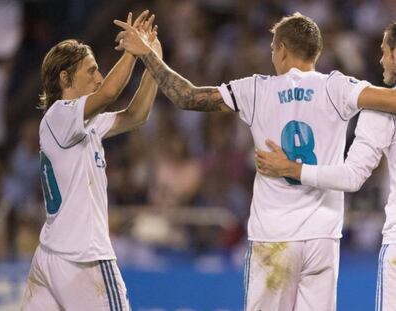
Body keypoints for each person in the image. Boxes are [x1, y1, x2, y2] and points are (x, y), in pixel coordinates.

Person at [115, 12, 396, 311]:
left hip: (273, 236)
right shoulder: (339, 88)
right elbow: (389, 99)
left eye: (273, 48)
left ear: (282, 49)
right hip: (323, 238)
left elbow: (186, 97)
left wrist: (148, 55)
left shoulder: (255, 89)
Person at [21, 11, 162, 311]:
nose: (99, 78)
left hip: (52, 256)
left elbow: (136, 115)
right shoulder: (60, 115)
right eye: (92, 70)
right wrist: (133, 53)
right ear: (65, 77)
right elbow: (111, 92)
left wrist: (152, 62)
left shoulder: (84, 122)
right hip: (84, 258)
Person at [255, 22, 396, 311]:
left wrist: (294, 170)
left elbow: (352, 176)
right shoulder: (381, 105)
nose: (381, 59)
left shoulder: (381, 110)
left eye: (384, 51)